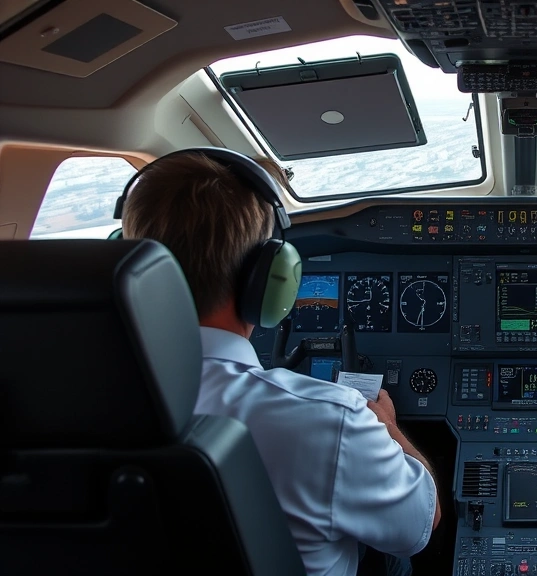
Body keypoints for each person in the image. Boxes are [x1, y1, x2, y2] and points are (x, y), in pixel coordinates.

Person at [121, 148, 441, 576]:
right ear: (269, 281)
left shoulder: (65, 403)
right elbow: (422, 522)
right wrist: (389, 428)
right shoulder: (331, 420)